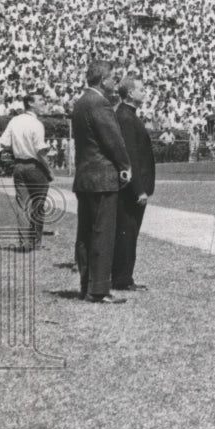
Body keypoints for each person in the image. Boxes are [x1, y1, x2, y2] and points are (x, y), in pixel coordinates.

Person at [72, 60, 132, 304]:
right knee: (103, 234)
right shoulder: (99, 103)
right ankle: (98, 290)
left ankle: (87, 285)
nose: (115, 83)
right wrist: (125, 165)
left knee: (85, 233)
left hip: (86, 176)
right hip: (103, 177)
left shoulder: (81, 102)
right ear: (103, 79)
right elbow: (113, 140)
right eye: (113, 78)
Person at [0, 92, 53, 251]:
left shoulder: (15, 120)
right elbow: (40, 152)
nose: (43, 102)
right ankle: (36, 242)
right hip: (35, 167)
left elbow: (3, 143)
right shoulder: (37, 124)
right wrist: (49, 170)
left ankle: (24, 243)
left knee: (22, 205)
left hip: (18, 166)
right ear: (31, 103)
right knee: (38, 206)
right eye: (40, 100)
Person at [111, 76, 156, 292]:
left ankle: (123, 275)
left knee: (128, 232)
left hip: (130, 186)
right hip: (131, 189)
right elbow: (130, 157)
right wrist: (138, 189)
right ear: (130, 93)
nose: (145, 92)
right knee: (127, 232)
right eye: (141, 89)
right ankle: (122, 278)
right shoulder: (126, 118)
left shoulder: (126, 115)